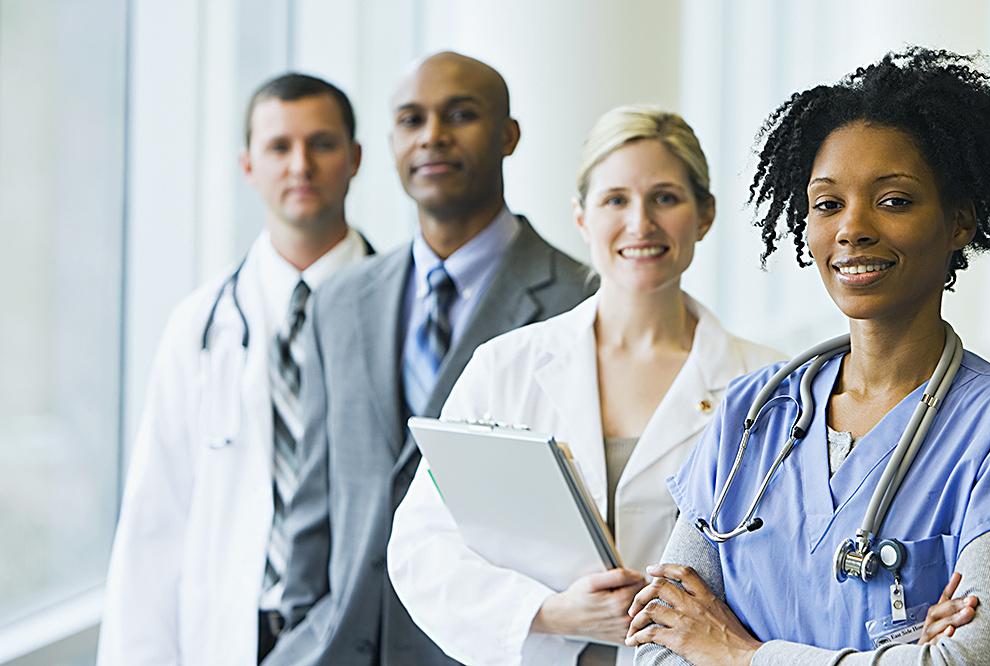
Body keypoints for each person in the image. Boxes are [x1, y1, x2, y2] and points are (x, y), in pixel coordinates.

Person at [626, 47, 990, 666]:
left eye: (895, 200)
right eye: (828, 204)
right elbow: (653, 649)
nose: (852, 228)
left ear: (959, 220)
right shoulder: (752, 414)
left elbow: (973, 661)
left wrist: (739, 654)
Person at [386, 104, 785, 666]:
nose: (640, 223)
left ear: (705, 215)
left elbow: (793, 567)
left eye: (665, 198)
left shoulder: (774, 384)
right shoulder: (505, 368)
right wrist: (548, 612)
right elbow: (421, 547)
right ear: (581, 217)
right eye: (615, 200)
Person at [263, 52, 594, 666]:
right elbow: (315, 501)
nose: (433, 136)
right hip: (338, 647)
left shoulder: (580, 299)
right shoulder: (340, 299)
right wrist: (300, 633)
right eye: (411, 119)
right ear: (389, 141)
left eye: (461, 114)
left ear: (508, 135)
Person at [98, 73, 373, 665]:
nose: (300, 165)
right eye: (279, 147)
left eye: (321, 144)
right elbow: (156, 518)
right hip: (235, 631)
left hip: (360, 628)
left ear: (354, 159)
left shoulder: (403, 311)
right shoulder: (199, 326)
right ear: (248, 165)